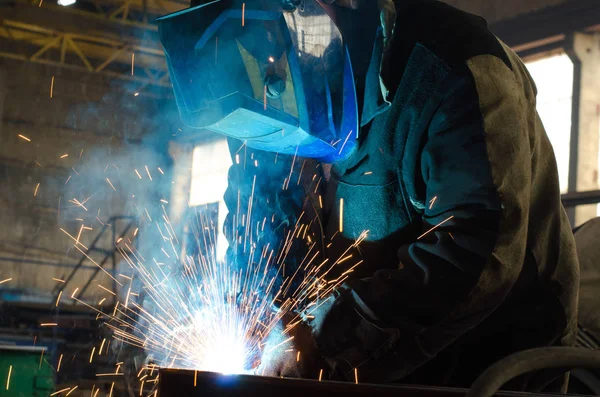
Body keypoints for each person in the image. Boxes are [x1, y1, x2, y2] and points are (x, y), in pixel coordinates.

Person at [158, 0, 579, 392]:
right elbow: (259, 213)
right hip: (367, 362)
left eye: (271, 42)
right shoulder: (262, 90)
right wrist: (251, 308)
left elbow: (477, 248)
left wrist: (325, 340)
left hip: (491, 361)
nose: (268, 64)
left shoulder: (454, 69)